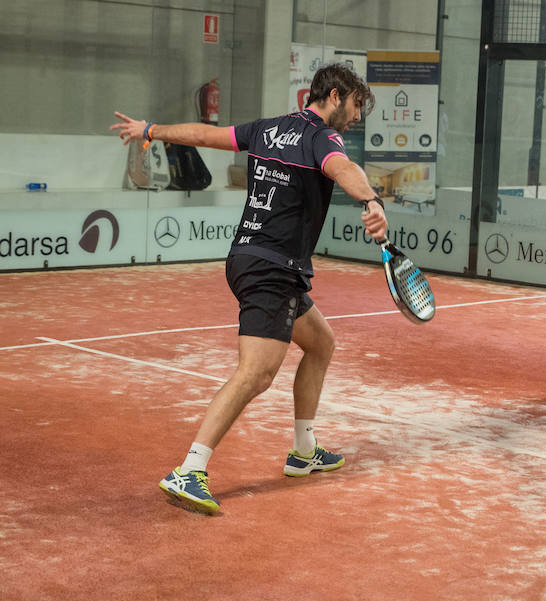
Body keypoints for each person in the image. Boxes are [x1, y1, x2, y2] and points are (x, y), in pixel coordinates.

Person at [110, 64, 388, 514]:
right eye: (357, 105)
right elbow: (343, 167)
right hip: (273, 268)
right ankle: (189, 469)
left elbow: (203, 135)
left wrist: (151, 129)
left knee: (320, 344)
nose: (357, 117)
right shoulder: (323, 137)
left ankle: (303, 451)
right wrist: (370, 200)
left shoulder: (268, 129)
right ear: (335, 96)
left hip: (249, 258)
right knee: (257, 372)